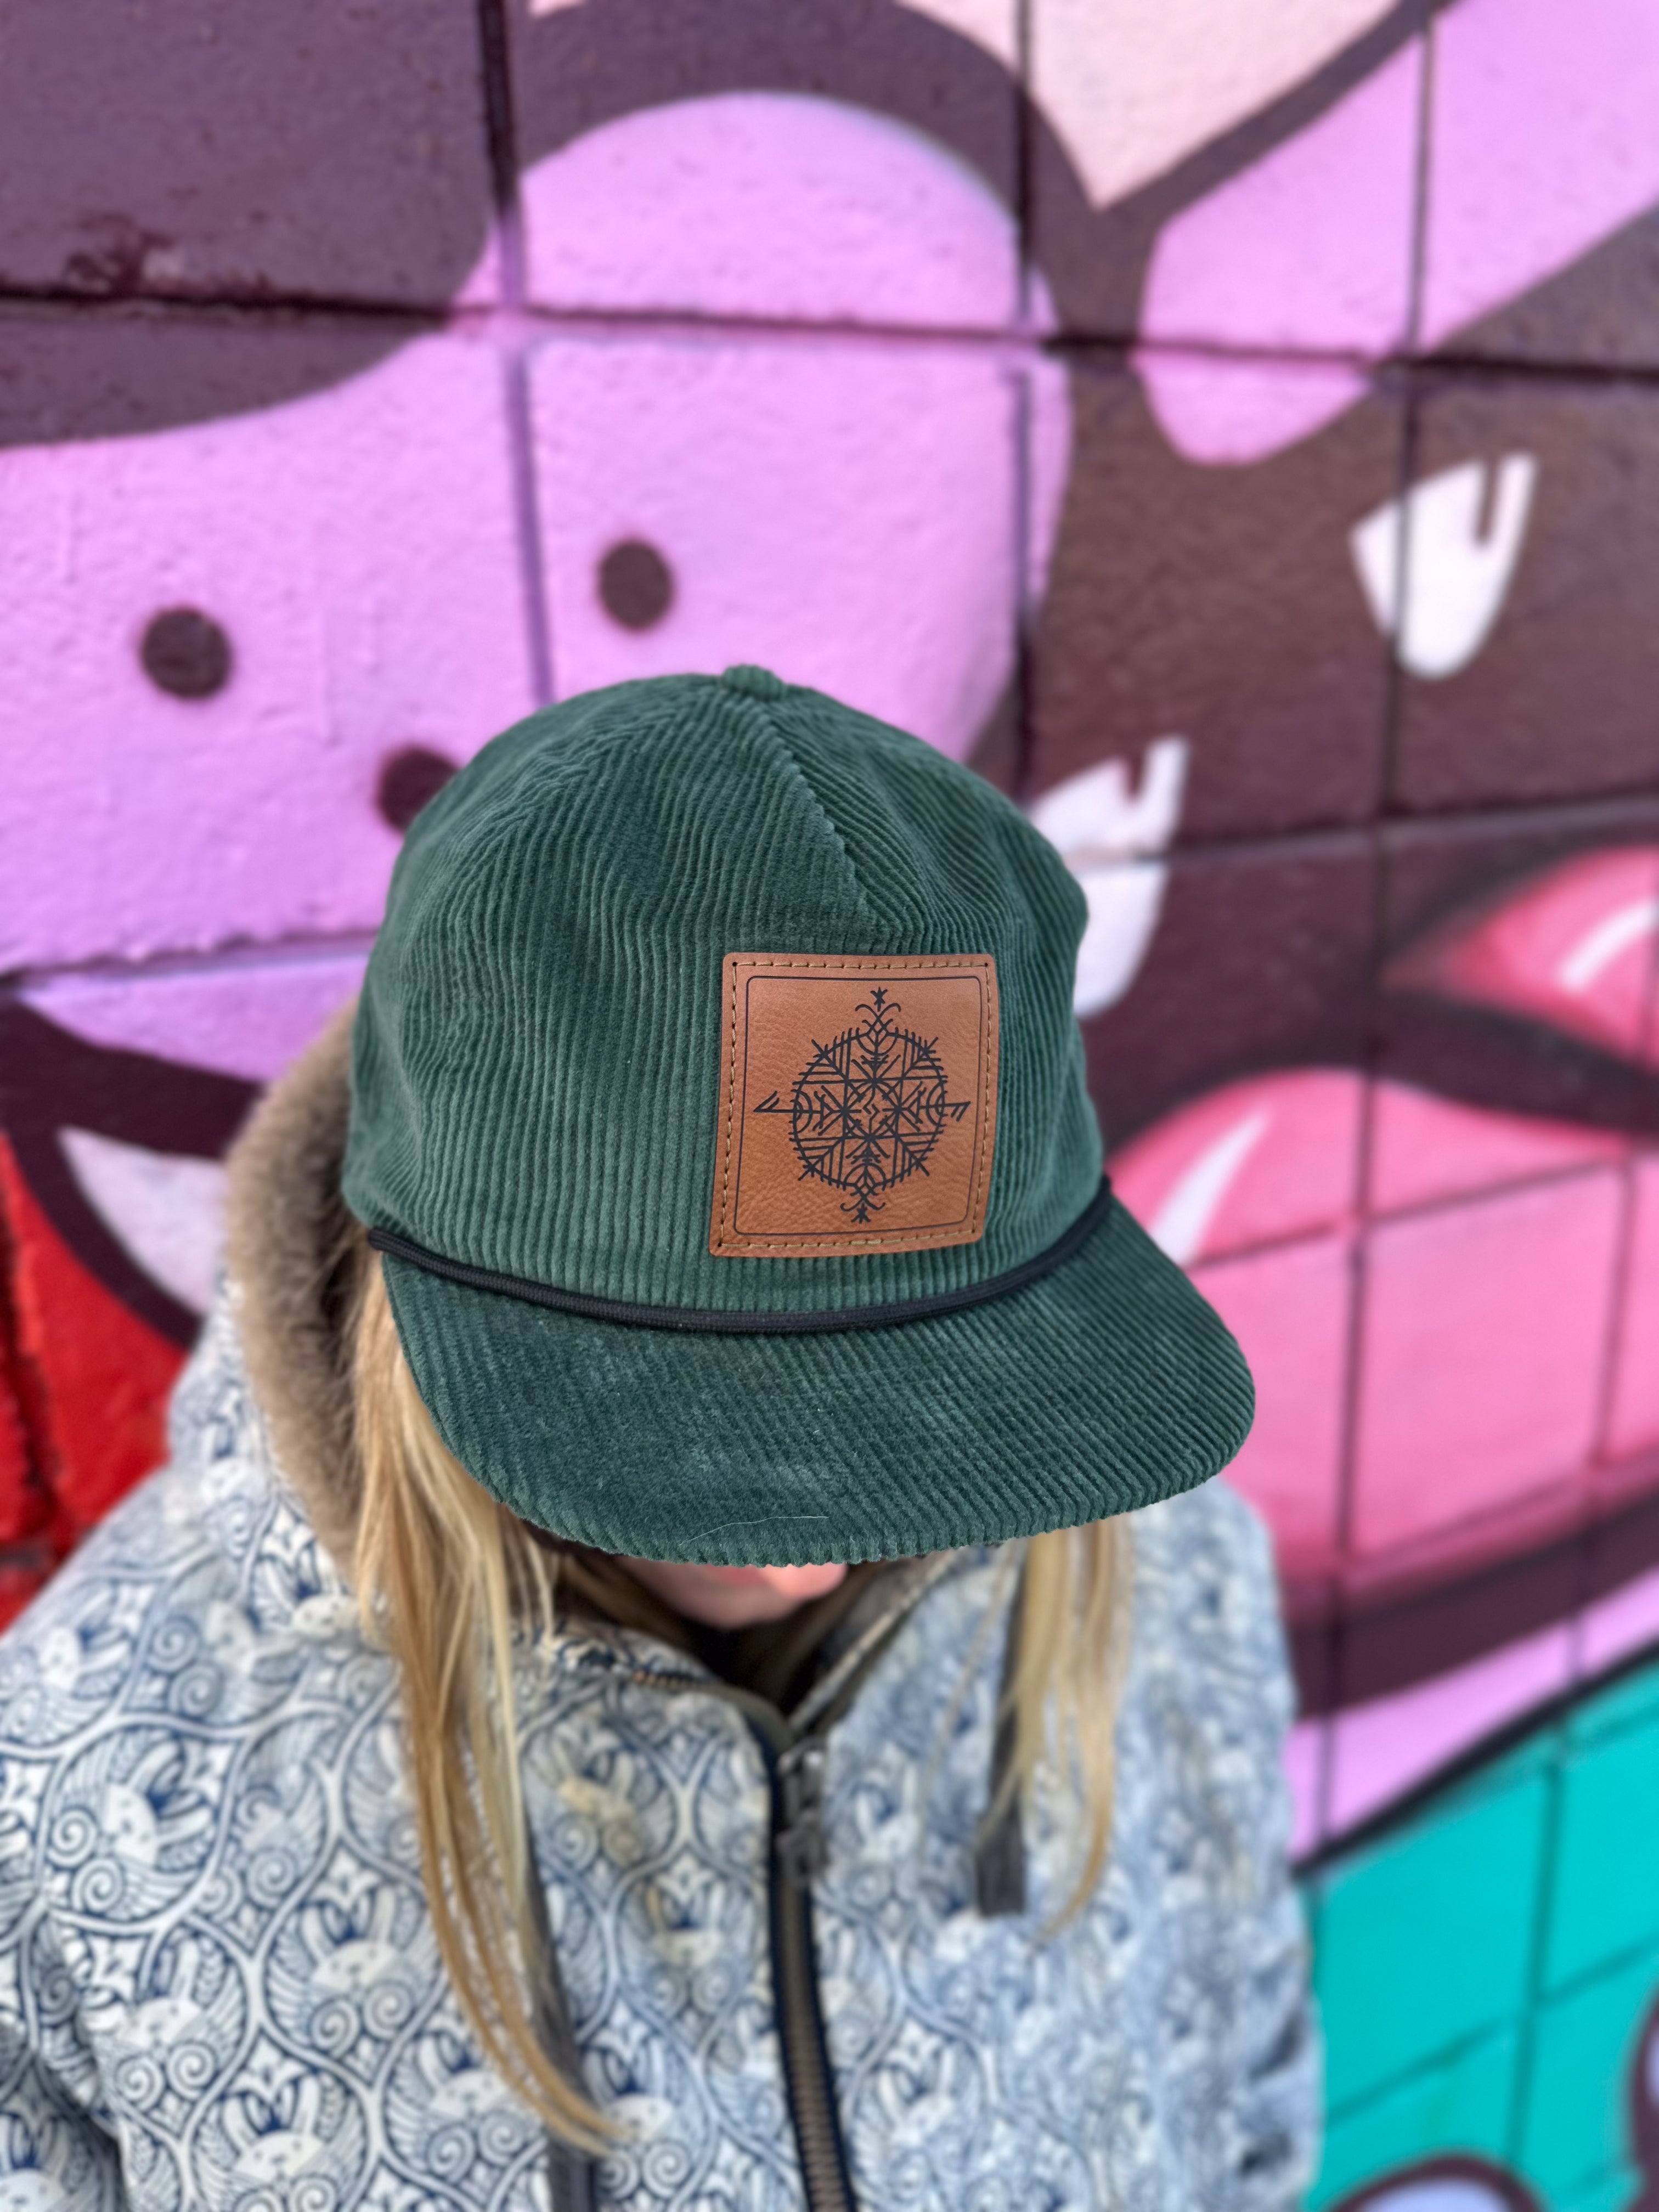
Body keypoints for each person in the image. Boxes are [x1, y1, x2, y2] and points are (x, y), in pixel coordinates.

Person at [0, 668, 1317, 2209]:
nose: (811, 1559)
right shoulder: (82, 1802)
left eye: (934, 1412)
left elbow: (1246, 2113)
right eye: (684, 1439)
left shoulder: (1177, 1584)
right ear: (434, 1314)